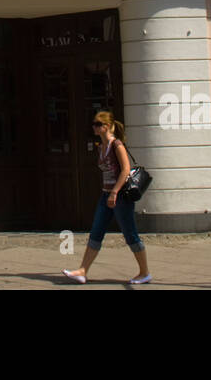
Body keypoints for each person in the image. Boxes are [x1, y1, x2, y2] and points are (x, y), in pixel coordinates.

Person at [63, 110, 151, 285]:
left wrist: (114, 192)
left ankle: (144, 272)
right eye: (94, 124)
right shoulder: (101, 147)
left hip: (119, 197)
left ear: (107, 126)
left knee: (130, 234)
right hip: (106, 195)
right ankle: (82, 271)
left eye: (98, 124)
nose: (94, 127)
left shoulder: (116, 145)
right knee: (96, 232)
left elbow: (126, 169)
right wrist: (108, 193)